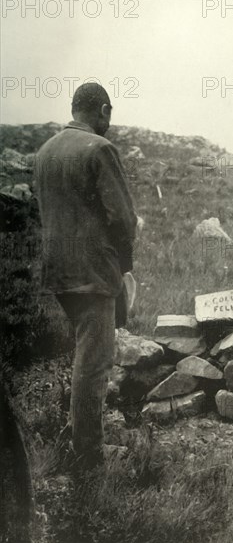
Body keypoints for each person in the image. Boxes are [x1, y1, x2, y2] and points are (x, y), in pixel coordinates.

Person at [35, 83, 137, 471]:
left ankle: (79, 433)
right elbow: (123, 219)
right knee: (94, 363)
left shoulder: (45, 152)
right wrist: (124, 266)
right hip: (93, 272)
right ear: (104, 111)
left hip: (59, 272)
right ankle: (89, 457)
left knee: (84, 352)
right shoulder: (100, 149)